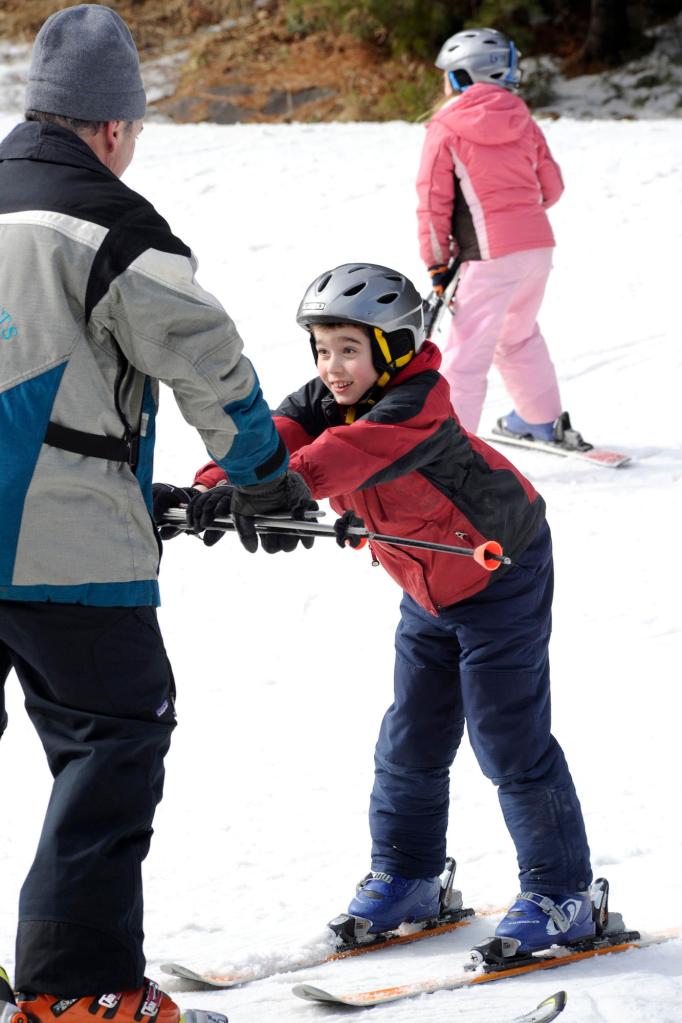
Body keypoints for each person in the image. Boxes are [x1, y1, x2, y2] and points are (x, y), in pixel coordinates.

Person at [0, 5, 314, 1020]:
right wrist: (260, 475)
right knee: (113, 737)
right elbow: (208, 366)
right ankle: (78, 992)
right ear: (109, 127)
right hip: (63, 555)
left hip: (52, 521)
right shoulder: (114, 229)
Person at [180, 262, 596, 954]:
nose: (332, 367)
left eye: (349, 349)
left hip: (500, 572)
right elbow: (270, 439)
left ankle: (563, 893)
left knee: (507, 736)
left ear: (394, 346)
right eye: (321, 349)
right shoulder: (325, 398)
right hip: (427, 586)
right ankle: (410, 876)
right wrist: (209, 488)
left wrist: (271, 495)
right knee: (411, 736)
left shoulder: (417, 403)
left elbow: (337, 459)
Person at [417, 27, 583, 443]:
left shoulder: (446, 126)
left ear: (460, 77)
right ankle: (541, 421)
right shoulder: (522, 118)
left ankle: (450, 447)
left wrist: (436, 263)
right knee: (519, 336)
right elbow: (553, 187)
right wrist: (520, 219)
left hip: (489, 255)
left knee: (467, 352)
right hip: (537, 248)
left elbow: (432, 202)